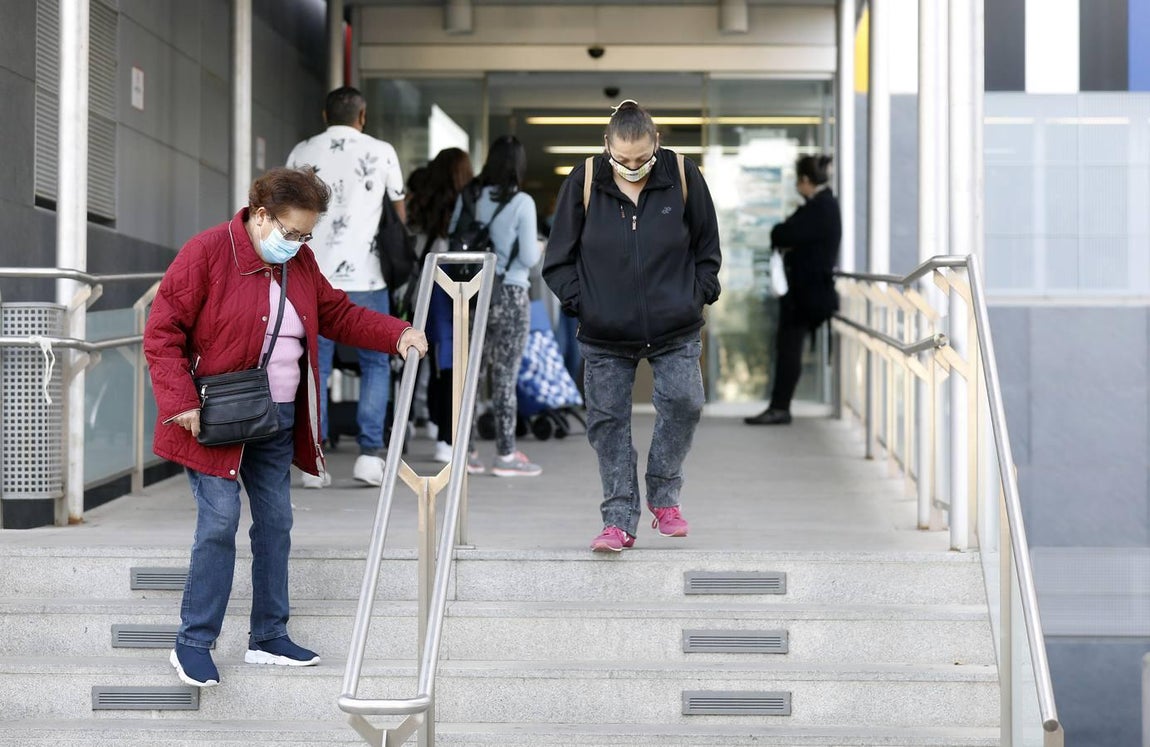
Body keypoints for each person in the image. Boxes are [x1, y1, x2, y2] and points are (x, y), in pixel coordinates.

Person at [144, 167, 427, 689]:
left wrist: (399, 332)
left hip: (275, 418)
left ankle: (269, 636)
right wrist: (180, 399)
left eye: (305, 235)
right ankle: (193, 642)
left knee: (276, 526)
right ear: (260, 215)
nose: (296, 244)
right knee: (219, 523)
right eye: (290, 232)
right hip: (215, 420)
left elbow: (337, 313)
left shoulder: (300, 264)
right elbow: (162, 332)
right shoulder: (207, 252)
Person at [543, 100, 722, 552]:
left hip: (674, 325)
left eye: (642, 158)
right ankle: (619, 520)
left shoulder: (682, 175)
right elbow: (558, 260)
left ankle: (664, 497)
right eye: (622, 159)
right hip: (605, 331)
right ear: (607, 146)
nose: (632, 166)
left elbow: (707, 246)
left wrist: (697, 293)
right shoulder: (584, 181)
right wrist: (585, 305)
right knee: (607, 423)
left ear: (656, 144)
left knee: (685, 402)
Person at [286, 86, 406, 487]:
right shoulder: (382, 151)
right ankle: (369, 456)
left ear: (325, 114)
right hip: (367, 275)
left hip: (311, 276)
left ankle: (314, 461)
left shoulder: (301, 151)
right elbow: (399, 209)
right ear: (362, 115)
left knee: (314, 364)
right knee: (375, 363)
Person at [449, 135, 544, 477]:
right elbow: (531, 258)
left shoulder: (470, 196)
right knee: (505, 376)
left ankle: (467, 452)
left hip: (472, 293)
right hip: (510, 294)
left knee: (471, 374)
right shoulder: (522, 203)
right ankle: (505, 454)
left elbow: (452, 238)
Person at [744, 155, 841, 426]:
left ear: (806, 181)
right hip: (809, 293)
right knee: (790, 348)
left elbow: (782, 234)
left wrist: (784, 235)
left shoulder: (820, 207)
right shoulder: (822, 206)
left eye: (799, 181)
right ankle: (779, 406)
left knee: (789, 349)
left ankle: (779, 407)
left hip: (807, 296)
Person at [408, 147, 485, 473]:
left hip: (420, 287)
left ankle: (420, 423)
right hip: (451, 285)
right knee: (451, 364)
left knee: (427, 358)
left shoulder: (421, 201)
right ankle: (447, 437)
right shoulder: (462, 204)